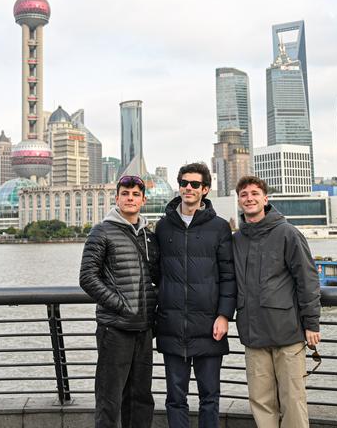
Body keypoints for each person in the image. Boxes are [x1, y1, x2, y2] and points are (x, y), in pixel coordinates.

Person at [232, 175, 321, 428]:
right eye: (244, 195)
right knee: (260, 400)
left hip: (287, 332)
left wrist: (312, 323)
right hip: (253, 333)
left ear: (265, 199)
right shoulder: (237, 240)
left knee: (293, 399)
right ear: (239, 201)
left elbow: (307, 280)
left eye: (254, 194)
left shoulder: (288, 233)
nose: (249, 198)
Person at [155, 162, 236, 428]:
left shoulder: (220, 228)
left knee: (209, 397)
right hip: (172, 324)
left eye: (195, 184)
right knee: (175, 398)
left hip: (210, 325)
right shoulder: (163, 227)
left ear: (205, 189)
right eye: (184, 183)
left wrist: (224, 315)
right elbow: (155, 274)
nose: (188, 188)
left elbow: (228, 276)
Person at [79, 175, 160, 428]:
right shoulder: (101, 231)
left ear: (143, 200)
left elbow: (157, 276)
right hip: (114, 329)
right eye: (125, 193)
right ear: (117, 198)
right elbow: (87, 278)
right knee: (109, 398)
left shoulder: (148, 236)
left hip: (144, 329)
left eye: (136, 194)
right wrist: (120, 304)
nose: (130, 198)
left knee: (141, 398)